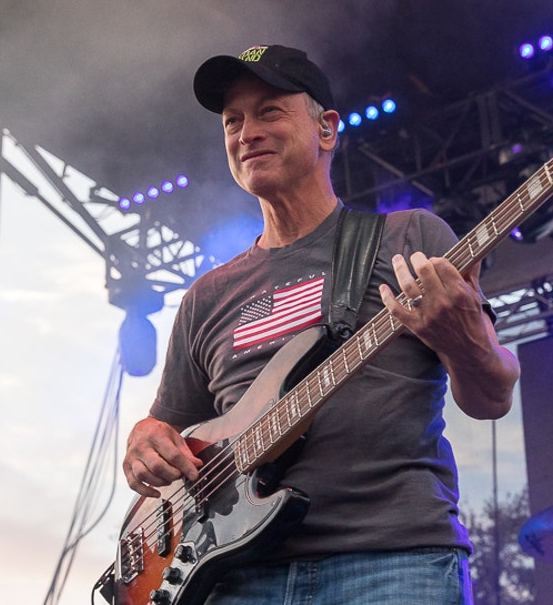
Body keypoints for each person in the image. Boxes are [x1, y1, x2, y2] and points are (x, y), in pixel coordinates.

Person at [121, 44, 521, 604]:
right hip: (234, 577)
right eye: (232, 121)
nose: (247, 132)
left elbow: (491, 397)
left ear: (327, 129)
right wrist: (145, 439)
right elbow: (167, 430)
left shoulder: (410, 239)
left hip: (391, 559)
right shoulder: (205, 297)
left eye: (269, 111)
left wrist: (465, 340)